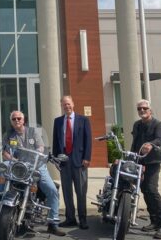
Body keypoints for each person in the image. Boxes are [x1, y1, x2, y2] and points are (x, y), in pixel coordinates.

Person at [0, 110, 65, 237]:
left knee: (52, 190)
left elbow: (41, 147)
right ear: (11, 121)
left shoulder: (33, 132)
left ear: (23, 120)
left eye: (19, 118)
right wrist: (13, 159)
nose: (17, 121)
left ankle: (53, 224)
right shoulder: (9, 134)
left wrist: (38, 154)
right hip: (16, 164)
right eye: (14, 119)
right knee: (3, 166)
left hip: (36, 164)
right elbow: (4, 152)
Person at [52, 95, 92, 230]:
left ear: (73, 104)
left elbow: (88, 140)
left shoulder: (83, 120)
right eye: (64, 105)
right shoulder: (57, 121)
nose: (67, 107)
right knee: (67, 192)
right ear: (62, 106)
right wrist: (57, 159)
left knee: (81, 192)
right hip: (64, 162)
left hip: (79, 162)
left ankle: (83, 219)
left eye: (68, 104)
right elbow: (56, 142)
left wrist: (87, 158)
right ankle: (70, 218)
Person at [131, 99, 161, 239]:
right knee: (144, 190)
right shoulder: (137, 125)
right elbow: (135, 144)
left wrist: (151, 144)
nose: (142, 111)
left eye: (144, 108)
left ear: (150, 110)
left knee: (152, 190)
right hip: (139, 162)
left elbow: (160, 139)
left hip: (152, 162)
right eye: (139, 109)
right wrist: (129, 159)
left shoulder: (158, 125)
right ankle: (154, 221)